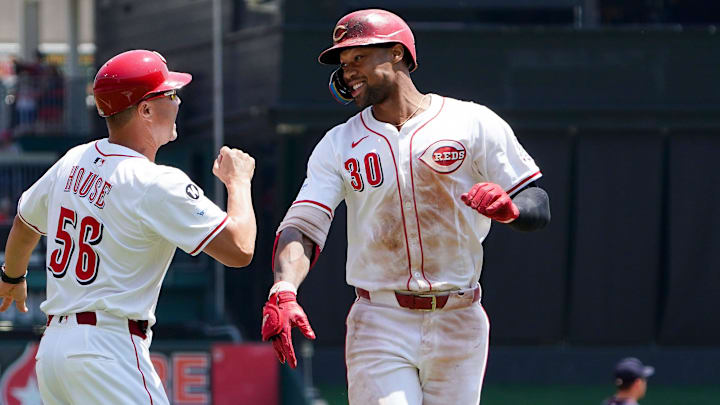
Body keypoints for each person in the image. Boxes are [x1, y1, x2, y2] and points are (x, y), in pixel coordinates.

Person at [260, 9, 551, 405]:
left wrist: (511, 211)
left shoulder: (472, 121)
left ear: (397, 52)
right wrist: (284, 287)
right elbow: (304, 225)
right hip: (381, 316)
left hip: (459, 314)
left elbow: (535, 199)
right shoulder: (338, 142)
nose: (348, 72)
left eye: (358, 57)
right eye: (343, 64)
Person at [0, 49, 257, 405]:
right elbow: (240, 249)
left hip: (54, 353)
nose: (178, 101)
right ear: (146, 109)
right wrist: (239, 183)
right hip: (108, 349)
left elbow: (25, 223)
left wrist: (12, 278)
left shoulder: (73, 160)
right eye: (170, 93)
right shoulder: (155, 181)